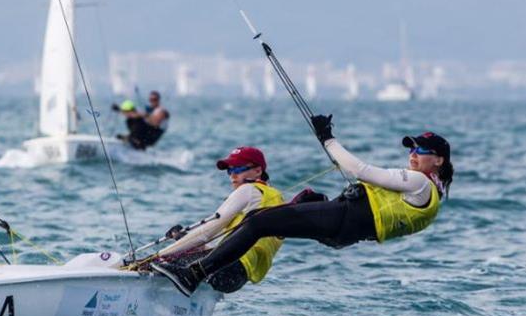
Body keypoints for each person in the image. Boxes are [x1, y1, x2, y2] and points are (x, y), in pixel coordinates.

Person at [152, 115, 454, 296]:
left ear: (438, 160)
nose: (413, 154)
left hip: (343, 220)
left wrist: (327, 139)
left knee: (257, 222)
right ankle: (192, 266)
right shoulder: (433, 197)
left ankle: (192, 275)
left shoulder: (419, 182)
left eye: (422, 150)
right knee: (267, 219)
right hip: (344, 231)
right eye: (412, 149)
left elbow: (359, 169)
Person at [152, 146, 284, 296]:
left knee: (154, 265)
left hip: (222, 265)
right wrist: (182, 238)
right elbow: (219, 241)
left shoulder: (248, 190)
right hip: (237, 277)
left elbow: (207, 233)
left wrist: (159, 255)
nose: (232, 176)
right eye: (230, 170)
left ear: (258, 171)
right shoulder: (277, 198)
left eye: (238, 169)